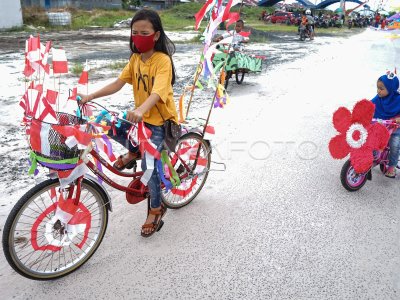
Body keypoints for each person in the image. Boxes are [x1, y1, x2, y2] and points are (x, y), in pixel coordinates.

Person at [78, 9, 179, 236]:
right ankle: (135, 150)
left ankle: (156, 208)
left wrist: (142, 109)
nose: (138, 37)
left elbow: (157, 92)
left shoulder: (162, 60)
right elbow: (118, 83)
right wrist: (90, 96)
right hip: (140, 120)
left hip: (160, 123)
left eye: (144, 32)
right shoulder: (135, 59)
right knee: (109, 123)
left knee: (149, 168)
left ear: (155, 35)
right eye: (135, 32)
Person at [371, 72, 400, 178]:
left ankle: (392, 167)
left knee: (394, 145)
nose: (378, 91)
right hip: (381, 126)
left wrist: (398, 119)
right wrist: (362, 110)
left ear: (391, 88)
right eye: (377, 88)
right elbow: (370, 105)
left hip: (395, 129)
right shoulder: (379, 98)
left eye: (381, 88)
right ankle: (371, 156)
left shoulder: (398, 100)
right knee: (370, 137)